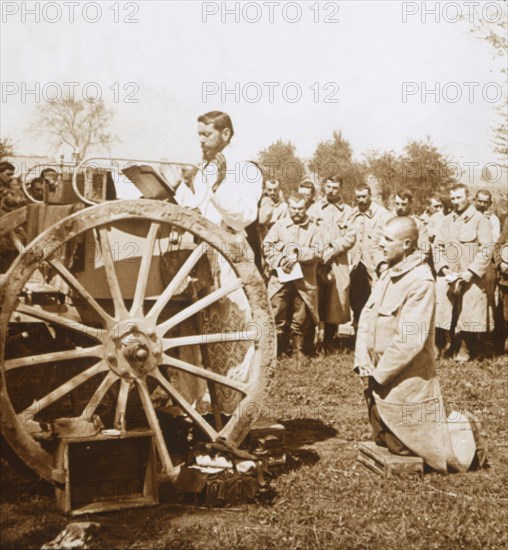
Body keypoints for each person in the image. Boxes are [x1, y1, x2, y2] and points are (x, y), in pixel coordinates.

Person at [354, 216, 486, 473]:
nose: (380, 244)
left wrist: (378, 376)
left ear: (406, 245)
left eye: (387, 240)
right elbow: (366, 319)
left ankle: (463, 430)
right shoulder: (388, 273)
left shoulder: (420, 281)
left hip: (405, 387)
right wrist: (363, 364)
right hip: (377, 383)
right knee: (383, 439)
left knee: (406, 449)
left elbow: (409, 340)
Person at [171, 111, 262, 234]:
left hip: (234, 248)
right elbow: (199, 209)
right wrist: (176, 186)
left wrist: (218, 188)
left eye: (206, 134)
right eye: (199, 134)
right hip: (202, 246)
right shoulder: (204, 168)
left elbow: (245, 217)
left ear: (225, 134)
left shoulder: (246, 168)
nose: (201, 140)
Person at [433, 184, 494, 362]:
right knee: (442, 308)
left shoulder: (480, 220)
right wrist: (443, 268)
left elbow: (487, 249)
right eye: (453, 199)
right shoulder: (447, 220)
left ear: (468, 197)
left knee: (470, 310)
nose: (456, 202)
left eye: (459, 198)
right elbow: (437, 246)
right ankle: (442, 345)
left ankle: (465, 349)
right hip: (449, 273)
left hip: (471, 274)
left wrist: (471, 272)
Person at [263, 193, 322, 357]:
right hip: (280, 280)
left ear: (306, 208)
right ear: (288, 208)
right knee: (277, 313)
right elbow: (267, 246)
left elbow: (318, 252)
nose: (297, 212)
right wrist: (281, 259)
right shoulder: (279, 226)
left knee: (301, 317)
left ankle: (299, 351)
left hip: (304, 280)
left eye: (300, 208)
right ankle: (276, 351)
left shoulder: (314, 229)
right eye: (294, 208)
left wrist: (298, 254)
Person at [310, 177, 356, 352]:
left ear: (341, 189)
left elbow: (351, 236)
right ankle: (311, 341)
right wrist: (320, 251)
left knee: (335, 301)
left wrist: (333, 248)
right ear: (323, 187)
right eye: (328, 187)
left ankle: (329, 340)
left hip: (337, 261)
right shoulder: (314, 209)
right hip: (316, 260)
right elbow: (309, 231)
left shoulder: (348, 212)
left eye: (335, 187)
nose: (331, 191)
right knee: (314, 297)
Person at [348, 184, 389, 331]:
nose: (361, 200)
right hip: (355, 264)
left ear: (370, 195)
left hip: (373, 264)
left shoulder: (382, 214)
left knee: (374, 299)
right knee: (355, 299)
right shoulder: (352, 214)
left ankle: (373, 334)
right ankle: (357, 332)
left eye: (364, 196)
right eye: (358, 197)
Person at [372, 189, 430, 275]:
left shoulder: (418, 224)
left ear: (411, 203)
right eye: (397, 203)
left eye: (403, 204)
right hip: (385, 268)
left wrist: (405, 266)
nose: (399, 207)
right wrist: (381, 263)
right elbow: (374, 245)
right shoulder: (384, 221)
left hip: (409, 270)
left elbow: (424, 250)